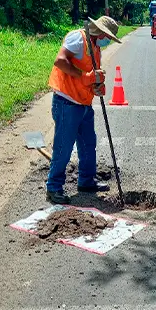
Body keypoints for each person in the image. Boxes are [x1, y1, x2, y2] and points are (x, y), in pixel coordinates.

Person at [46, 16, 122, 205]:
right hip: (67, 102)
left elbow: (91, 75)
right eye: (108, 37)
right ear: (102, 32)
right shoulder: (78, 38)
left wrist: (96, 86)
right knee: (63, 147)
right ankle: (53, 187)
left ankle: (86, 180)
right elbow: (60, 61)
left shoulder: (95, 47)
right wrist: (86, 77)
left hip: (84, 103)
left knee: (88, 144)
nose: (108, 41)